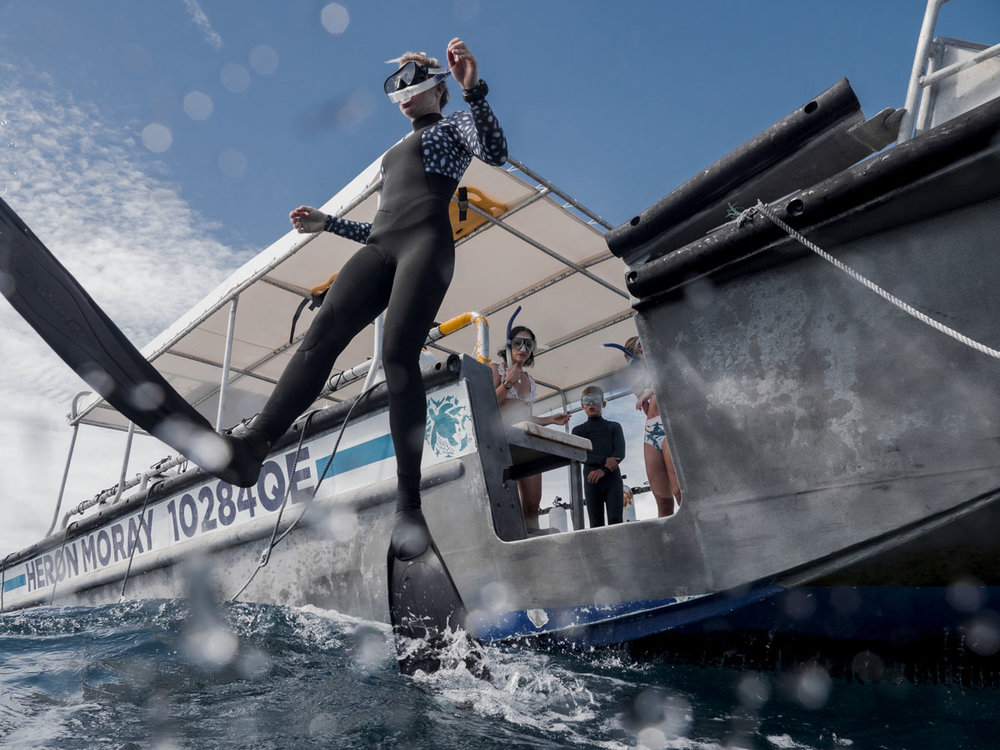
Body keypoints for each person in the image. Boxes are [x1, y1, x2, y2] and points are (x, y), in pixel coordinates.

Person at [217, 39, 507, 545]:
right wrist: (329, 223)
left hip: (427, 243)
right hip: (382, 245)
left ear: (437, 87)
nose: (401, 92)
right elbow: (379, 225)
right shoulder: (392, 154)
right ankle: (255, 446)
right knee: (322, 331)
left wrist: (473, 90)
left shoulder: (454, 124)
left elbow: (498, 153)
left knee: (397, 353)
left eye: (410, 79)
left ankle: (409, 506)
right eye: (394, 84)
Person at [490, 325, 570, 531]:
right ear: (508, 346)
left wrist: (550, 419)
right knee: (504, 502)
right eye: (518, 343)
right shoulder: (495, 369)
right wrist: (507, 383)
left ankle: (533, 549)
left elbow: (525, 416)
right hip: (501, 443)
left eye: (529, 344)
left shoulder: (530, 381)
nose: (523, 348)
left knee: (533, 505)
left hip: (527, 443)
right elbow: (488, 406)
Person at [623, 336, 682, 517]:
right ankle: (669, 543)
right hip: (651, 428)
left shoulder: (664, 363)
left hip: (669, 423)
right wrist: (639, 392)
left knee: (680, 491)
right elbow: (646, 408)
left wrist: (649, 391)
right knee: (662, 500)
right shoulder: (640, 377)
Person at [571, 385, 626, 527]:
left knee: (616, 522)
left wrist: (603, 470)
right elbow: (579, 455)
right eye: (587, 401)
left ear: (603, 403)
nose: (591, 404)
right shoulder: (577, 431)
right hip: (591, 482)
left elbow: (620, 453)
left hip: (612, 479)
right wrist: (604, 461)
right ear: (582, 405)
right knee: (596, 525)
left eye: (595, 400)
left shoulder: (614, 427)